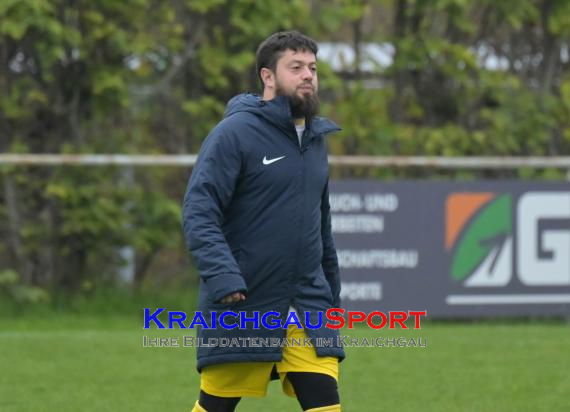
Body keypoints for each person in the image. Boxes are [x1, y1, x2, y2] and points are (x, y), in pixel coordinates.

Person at [182, 31, 344, 412]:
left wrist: (331, 293)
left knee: (325, 403)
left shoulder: (316, 140)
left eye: (313, 68)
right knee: (216, 405)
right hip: (244, 302)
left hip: (306, 306)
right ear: (267, 76)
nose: (308, 75)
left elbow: (322, 227)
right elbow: (199, 211)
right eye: (296, 67)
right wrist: (223, 276)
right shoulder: (234, 134)